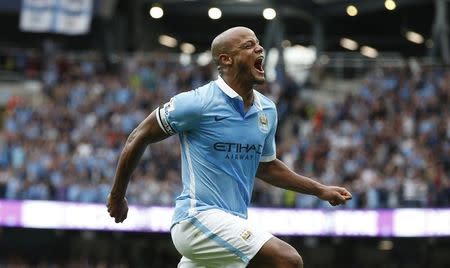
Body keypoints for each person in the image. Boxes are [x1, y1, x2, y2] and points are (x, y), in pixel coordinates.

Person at [107, 26, 352, 268]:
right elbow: (138, 136)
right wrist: (117, 196)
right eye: (248, 45)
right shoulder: (196, 103)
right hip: (196, 218)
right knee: (287, 260)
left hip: (230, 224)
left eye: (257, 43)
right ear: (227, 60)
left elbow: (265, 167)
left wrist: (319, 190)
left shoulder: (267, 110)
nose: (259, 48)